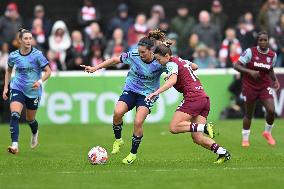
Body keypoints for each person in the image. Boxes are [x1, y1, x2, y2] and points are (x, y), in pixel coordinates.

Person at [81, 30, 199, 164]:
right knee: (117, 113)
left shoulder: (159, 61)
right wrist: (95, 68)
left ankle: (132, 154)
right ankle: (118, 140)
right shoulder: (134, 54)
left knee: (138, 122)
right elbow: (115, 60)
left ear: (151, 51)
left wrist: (182, 66)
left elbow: (189, 66)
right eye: (139, 51)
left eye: (143, 52)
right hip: (131, 90)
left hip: (147, 94)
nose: (140, 54)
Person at [146, 42, 231, 164]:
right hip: (203, 97)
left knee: (174, 127)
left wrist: (157, 92)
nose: (158, 62)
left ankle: (205, 127)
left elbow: (173, 80)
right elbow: (195, 66)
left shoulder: (171, 64)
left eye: (159, 59)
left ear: (166, 56)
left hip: (193, 97)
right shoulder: (180, 60)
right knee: (197, 138)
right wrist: (179, 72)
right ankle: (223, 153)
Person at [2, 28, 51, 154]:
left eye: (30, 38)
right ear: (20, 40)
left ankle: (35, 132)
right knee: (15, 114)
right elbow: (8, 71)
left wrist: (39, 82)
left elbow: (48, 71)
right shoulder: (13, 56)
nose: (29, 41)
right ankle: (14, 145)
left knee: (30, 119)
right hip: (17, 87)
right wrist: (6, 87)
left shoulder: (37, 55)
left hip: (33, 91)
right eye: (26, 38)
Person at [234, 31, 280, 147]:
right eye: (261, 40)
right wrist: (250, 72)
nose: (263, 42)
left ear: (268, 41)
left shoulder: (272, 55)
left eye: (265, 40)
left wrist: (275, 80)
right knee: (249, 113)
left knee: (271, 110)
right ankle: (245, 139)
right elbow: (237, 65)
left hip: (264, 86)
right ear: (257, 41)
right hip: (250, 86)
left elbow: (270, 69)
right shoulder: (250, 52)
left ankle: (267, 132)